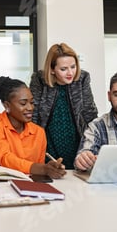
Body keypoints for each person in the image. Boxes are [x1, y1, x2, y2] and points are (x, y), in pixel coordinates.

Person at [30, 42, 98, 170]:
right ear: (51, 70)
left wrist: (93, 145)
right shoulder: (39, 80)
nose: (70, 73)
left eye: (73, 67)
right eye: (63, 69)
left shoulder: (83, 78)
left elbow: (90, 113)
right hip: (48, 144)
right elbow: (33, 116)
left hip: (76, 143)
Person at [0, 76, 66, 179]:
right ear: (7, 106)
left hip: (28, 187)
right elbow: (5, 158)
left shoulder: (38, 132)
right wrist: (43, 169)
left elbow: (38, 173)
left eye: (32, 102)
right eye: (23, 103)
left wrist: (51, 169)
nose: (30, 108)